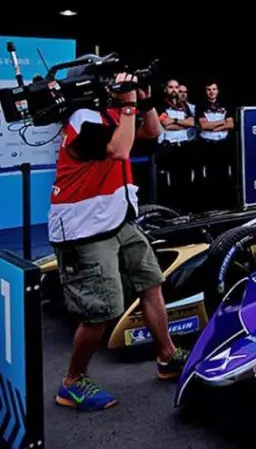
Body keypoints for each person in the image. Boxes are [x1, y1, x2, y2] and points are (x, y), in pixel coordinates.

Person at [49, 71, 188, 411]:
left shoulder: (111, 115)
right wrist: (128, 106)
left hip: (116, 218)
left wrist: (146, 99)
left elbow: (152, 132)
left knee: (151, 282)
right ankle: (73, 380)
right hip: (84, 228)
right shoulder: (82, 118)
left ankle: (167, 355)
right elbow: (120, 150)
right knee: (99, 310)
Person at [156, 79, 196, 211]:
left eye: (176, 87)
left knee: (185, 179)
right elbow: (164, 124)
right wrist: (182, 124)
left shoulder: (184, 105)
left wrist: (174, 121)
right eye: (171, 87)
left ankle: (184, 208)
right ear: (166, 89)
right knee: (169, 182)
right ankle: (169, 210)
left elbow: (192, 122)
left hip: (184, 147)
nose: (174, 90)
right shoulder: (160, 105)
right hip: (168, 148)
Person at [197, 81, 235, 209]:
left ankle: (225, 205)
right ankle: (210, 206)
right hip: (207, 146)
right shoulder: (201, 105)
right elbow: (204, 125)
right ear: (205, 91)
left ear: (218, 91)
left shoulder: (225, 105)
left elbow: (230, 124)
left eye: (214, 89)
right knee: (209, 177)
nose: (211, 91)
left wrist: (213, 126)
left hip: (223, 145)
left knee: (224, 176)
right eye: (209, 89)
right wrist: (222, 122)